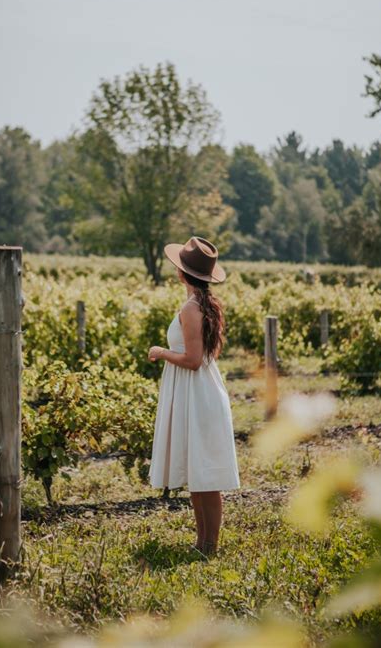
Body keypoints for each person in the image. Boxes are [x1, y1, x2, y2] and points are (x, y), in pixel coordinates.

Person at [147, 236, 240, 558]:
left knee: (206, 475)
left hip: (197, 394)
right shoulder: (200, 304)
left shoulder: (191, 309)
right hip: (197, 392)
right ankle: (202, 543)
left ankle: (209, 545)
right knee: (199, 474)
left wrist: (162, 352)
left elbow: (193, 360)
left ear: (183, 273)